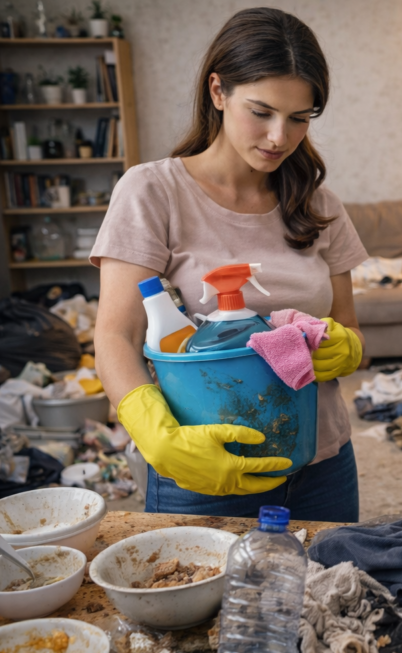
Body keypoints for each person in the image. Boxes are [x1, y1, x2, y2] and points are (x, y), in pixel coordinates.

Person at [91, 8, 367, 522]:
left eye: (299, 118)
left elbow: (349, 326)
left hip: (321, 464)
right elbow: (115, 337)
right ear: (218, 92)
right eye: (261, 112)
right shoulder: (152, 192)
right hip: (201, 465)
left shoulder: (319, 205)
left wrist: (345, 347)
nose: (280, 137)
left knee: (326, 597)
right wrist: (156, 434)